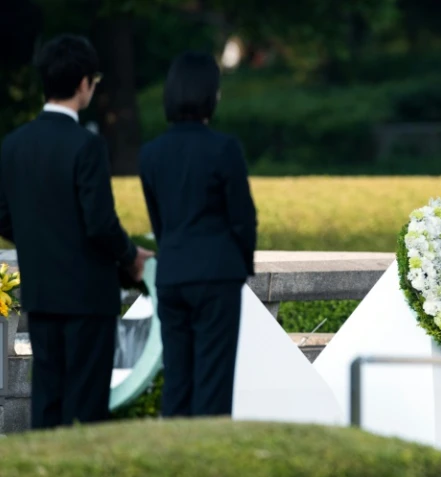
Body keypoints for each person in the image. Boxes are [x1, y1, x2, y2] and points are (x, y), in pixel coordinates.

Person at [0, 34, 153, 429]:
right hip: (87, 297)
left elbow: (2, 215)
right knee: (85, 410)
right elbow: (100, 223)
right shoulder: (87, 146)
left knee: (47, 404)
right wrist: (130, 256)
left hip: (42, 294)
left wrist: (40, 237)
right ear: (85, 82)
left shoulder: (13, 145)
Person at [139, 51, 257, 417]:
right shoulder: (224, 149)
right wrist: (240, 263)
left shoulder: (150, 153)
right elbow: (243, 219)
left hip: (173, 275)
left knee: (177, 378)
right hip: (216, 274)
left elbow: (160, 223)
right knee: (213, 380)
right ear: (211, 94)